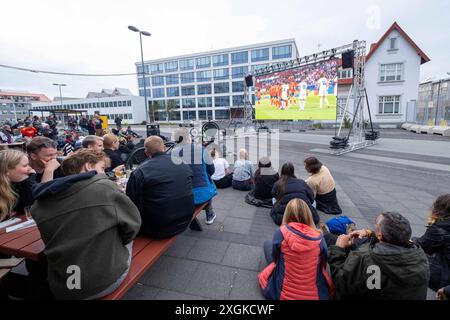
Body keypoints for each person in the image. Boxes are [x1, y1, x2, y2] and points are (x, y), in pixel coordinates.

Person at [30, 149, 141, 299]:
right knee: (126, 235)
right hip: (100, 283)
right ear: (89, 166)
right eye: (102, 168)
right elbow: (133, 227)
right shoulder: (105, 188)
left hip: (62, 285)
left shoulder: (39, 202)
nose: (104, 173)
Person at [329, 212, 429, 300]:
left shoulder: (365, 257)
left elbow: (341, 282)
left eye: (376, 225)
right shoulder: (420, 255)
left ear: (380, 235)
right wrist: (370, 233)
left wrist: (338, 249)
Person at [258, 199, 334, 300]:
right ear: (308, 215)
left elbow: (275, 257)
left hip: (282, 293)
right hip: (314, 295)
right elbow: (324, 261)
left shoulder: (281, 232)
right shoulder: (319, 237)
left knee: (267, 244)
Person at [126, 136, 195, 238]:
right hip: (185, 220)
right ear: (164, 148)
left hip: (157, 228)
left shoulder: (140, 171)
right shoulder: (182, 162)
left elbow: (131, 201)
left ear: (146, 152)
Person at [172, 128, 217, 225]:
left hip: (181, 195)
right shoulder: (202, 150)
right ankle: (209, 214)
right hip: (202, 193)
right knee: (206, 180)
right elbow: (212, 170)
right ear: (189, 138)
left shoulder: (172, 152)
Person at [412, 194, 450, 291]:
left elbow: (423, 245)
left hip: (445, 277)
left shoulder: (441, 227)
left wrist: (412, 239)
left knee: (414, 259)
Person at [0, 149, 35, 222]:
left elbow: (30, 208)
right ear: (7, 170)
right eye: (25, 166)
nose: (30, 168)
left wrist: (27, 181)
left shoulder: (17, 183)